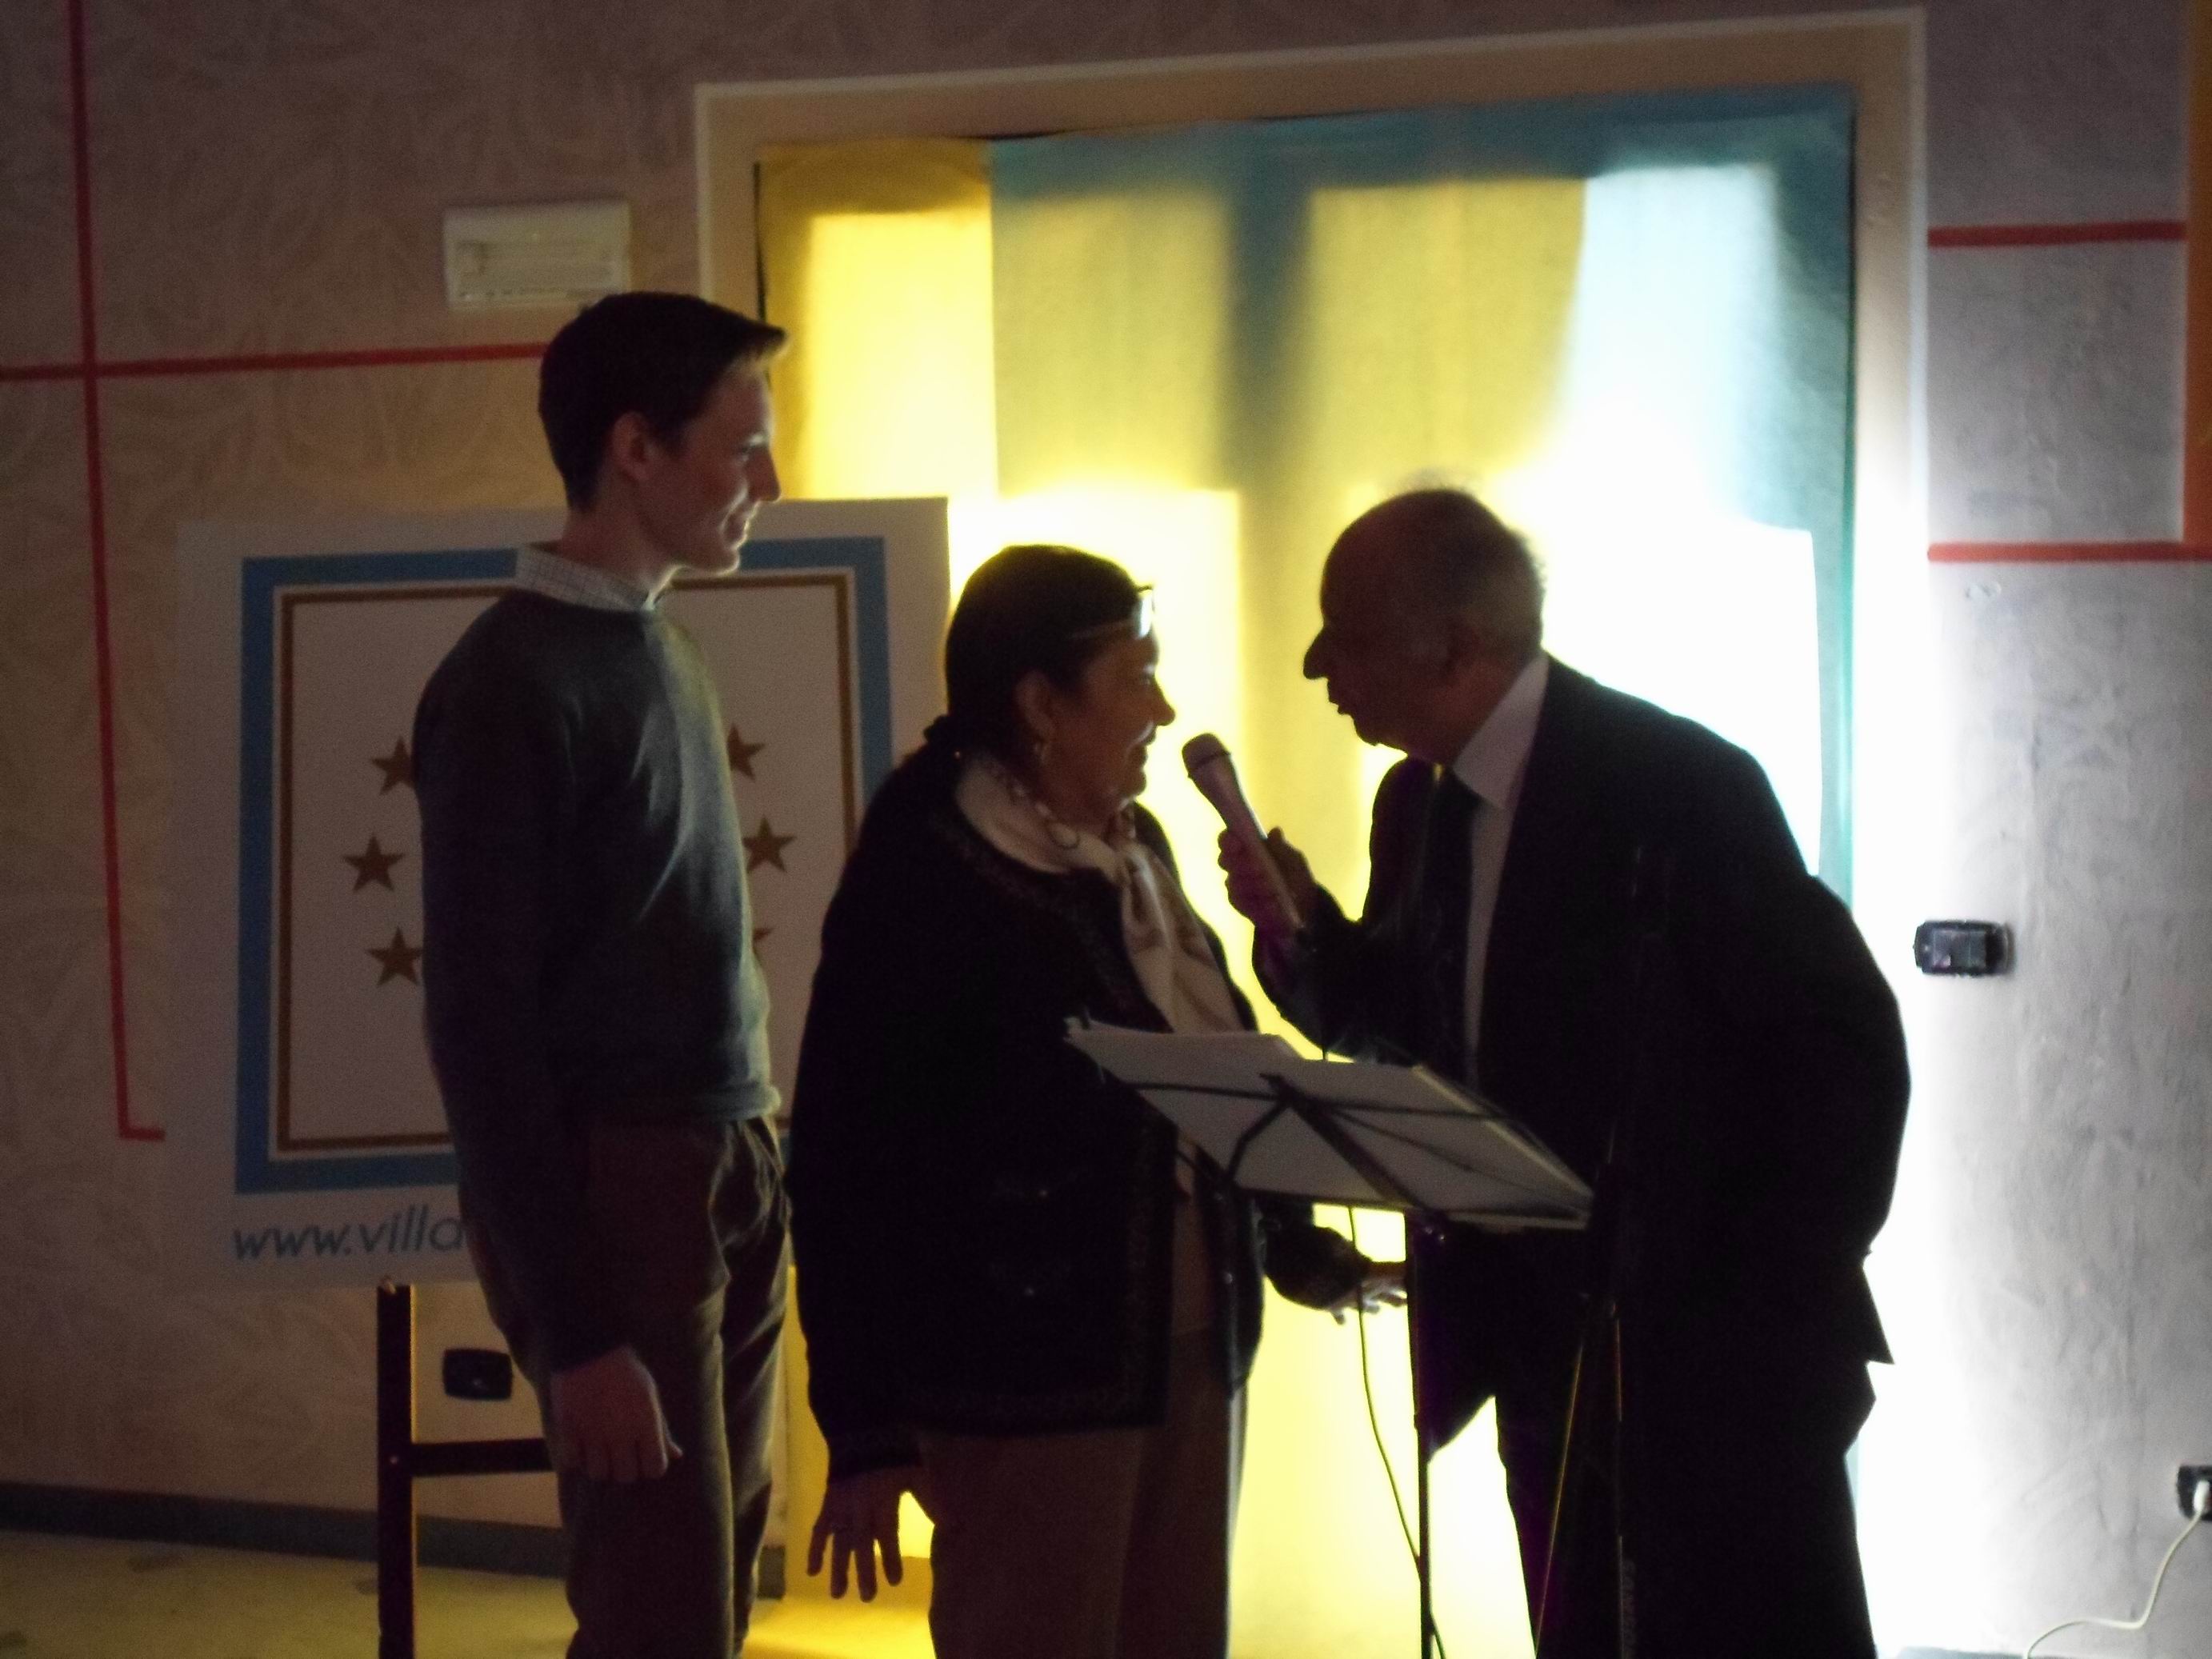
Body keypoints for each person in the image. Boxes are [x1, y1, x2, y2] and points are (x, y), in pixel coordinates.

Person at [1217, 488, 1910, 1657]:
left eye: (1349, 633)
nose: (1316, 666)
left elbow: (1843, 1055)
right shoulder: (1416, 804)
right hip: (1544, 1349)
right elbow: (1415, 1030)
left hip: (1717, 1363)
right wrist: (1304, 936)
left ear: (1454, 647)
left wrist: (1746, 1288)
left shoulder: (1676, 786)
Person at [790, 544, 1398, 1659]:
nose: (1165, 711)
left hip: (1192, 1346)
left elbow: (1212, 1077)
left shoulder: (1138, 848)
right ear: (1039, 703)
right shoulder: (927, 867)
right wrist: (863, 1425)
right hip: (1021, 1373)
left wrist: (1297, 1242)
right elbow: (845, 1152)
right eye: (1137, 679)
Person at [414, 290, 788, 1658]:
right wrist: (575, 1330)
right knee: (657, 1610)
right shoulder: (508, 682)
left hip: (728, 1151)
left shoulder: (663, 646)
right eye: (740, 448)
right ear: (635, 448)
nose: (768, 484)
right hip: (626, 1183)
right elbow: (479, 1028)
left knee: (715, 1584)